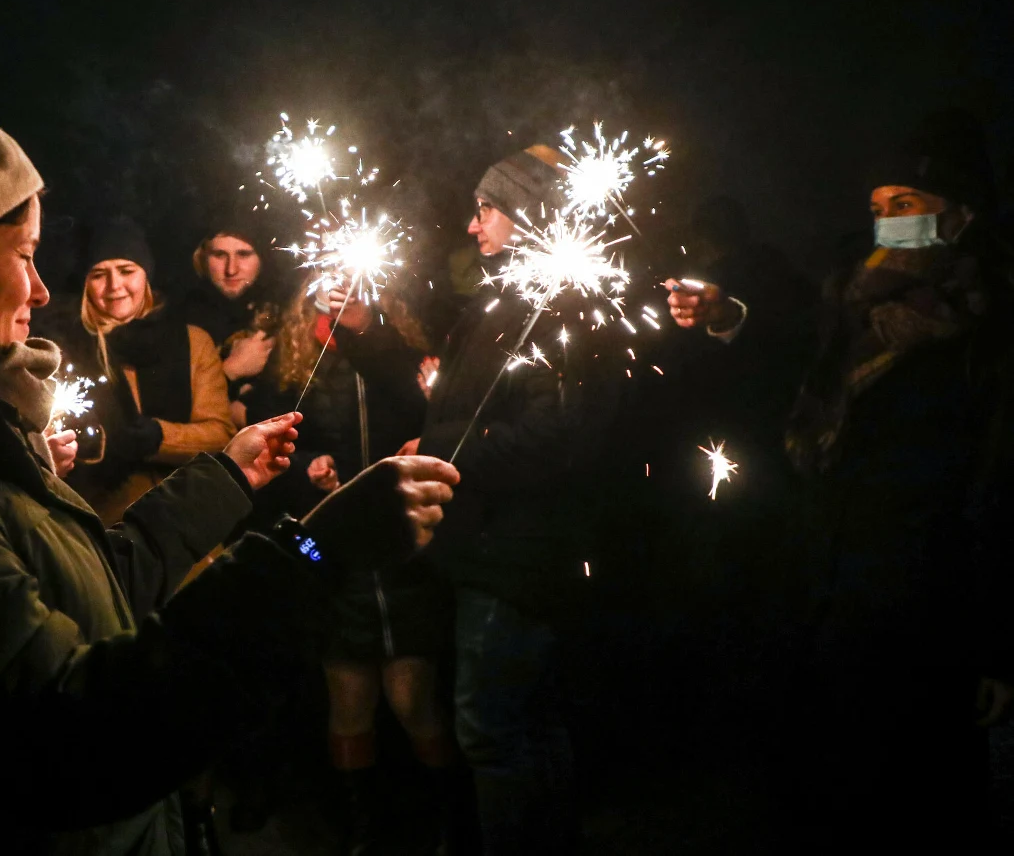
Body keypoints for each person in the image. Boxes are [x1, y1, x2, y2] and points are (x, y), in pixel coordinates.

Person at [0, 109, 461, 856]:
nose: (44, 291)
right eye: (24, 254)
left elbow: (92, 587)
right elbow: (70, 739)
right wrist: (315, 556)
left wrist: (230, 473)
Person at [665, 109, 1014, 847]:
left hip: (928, 611)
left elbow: (1000, 485)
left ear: (961, 214)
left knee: (917, 798)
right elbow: (790, 356)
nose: (888, 224)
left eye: (908, 207)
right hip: (825, 590)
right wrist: (728, 314)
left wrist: (996, 644)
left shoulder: (989, 324)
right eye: (878, 208)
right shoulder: (850, 302)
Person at [413, 146, 623, 854]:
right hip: (500, 546)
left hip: (520, 553)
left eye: (486, 209)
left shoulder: (561, 305)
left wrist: (443, 450)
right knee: (530, 720)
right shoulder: (510, 298)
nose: (473, 227)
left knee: (491, 727)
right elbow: (485, 408)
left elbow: (555, 433)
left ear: (525, 213)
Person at [245, 272, 453, 853]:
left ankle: (444, 824)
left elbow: (429, 414)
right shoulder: (289, 364)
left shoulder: (397, 349)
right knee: (349, 696)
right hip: (333, 553)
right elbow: (265, 448)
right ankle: (362, 833)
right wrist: (308, 466)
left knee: (414, 697)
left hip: (405, 548)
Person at [61, 217, 236, 527]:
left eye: (127, 271)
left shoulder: (191, 341)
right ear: (85, 283)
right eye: (100, 274)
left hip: (188, 518)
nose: (115, 286)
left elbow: (221, 435)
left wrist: (159, 437)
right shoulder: (70, 349)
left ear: (146, 274)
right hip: (107, 525)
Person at [180, 227, 283, 427]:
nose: (231, 269)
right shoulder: (180, 321)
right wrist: (230, 370)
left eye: (243, 254)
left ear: (262, 258)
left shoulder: (287, 315)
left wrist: (253, 416)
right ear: (201, 257)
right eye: (219, 255)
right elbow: (172, 409)